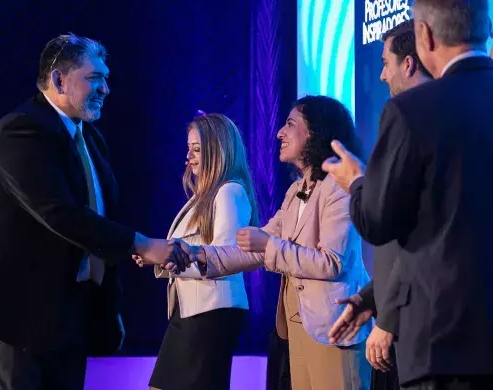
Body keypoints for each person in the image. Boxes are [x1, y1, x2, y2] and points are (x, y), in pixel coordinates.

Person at [0, 33, 183, 390]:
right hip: (15, 310)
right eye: (94, 78)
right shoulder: (21, 130)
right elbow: (59, 213)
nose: (106, 89)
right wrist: (140, 244)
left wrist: (124, 259)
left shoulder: (90, 137)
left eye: (106, 79)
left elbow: (99, 216)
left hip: (68, 311)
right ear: (59, 79)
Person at [322, 0, 493, 388]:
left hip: (443, 345)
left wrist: (356, 183)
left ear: (425, 35)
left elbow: (379, 222)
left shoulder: (412, 111)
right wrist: (371, 299)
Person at [169, 96, 372, 390]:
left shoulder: (338, 188)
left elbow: (331, 263)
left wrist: (268, 245)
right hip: (298, 325)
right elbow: (251, 248)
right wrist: (197, 254)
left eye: (290, 124)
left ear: (316, 132)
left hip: (334, 325)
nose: (280, 133)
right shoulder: (295, 191)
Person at [327, 19, 431, 390]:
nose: (383, 76)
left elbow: (404, 233)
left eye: (386, 63)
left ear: (409, 63)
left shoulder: (412, 120)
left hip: (425, 332)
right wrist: (371, 298)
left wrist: (357, 184)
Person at [147, 114, 258, 390]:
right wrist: (160, 256)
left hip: (211, 312)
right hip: (191, 313)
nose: (189, 156)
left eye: (197, 149)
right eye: (189, 148)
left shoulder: (229, 192)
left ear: (217, 149)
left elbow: (224, 257)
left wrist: (171, 259)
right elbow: (190, 252)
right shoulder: (204, 195)